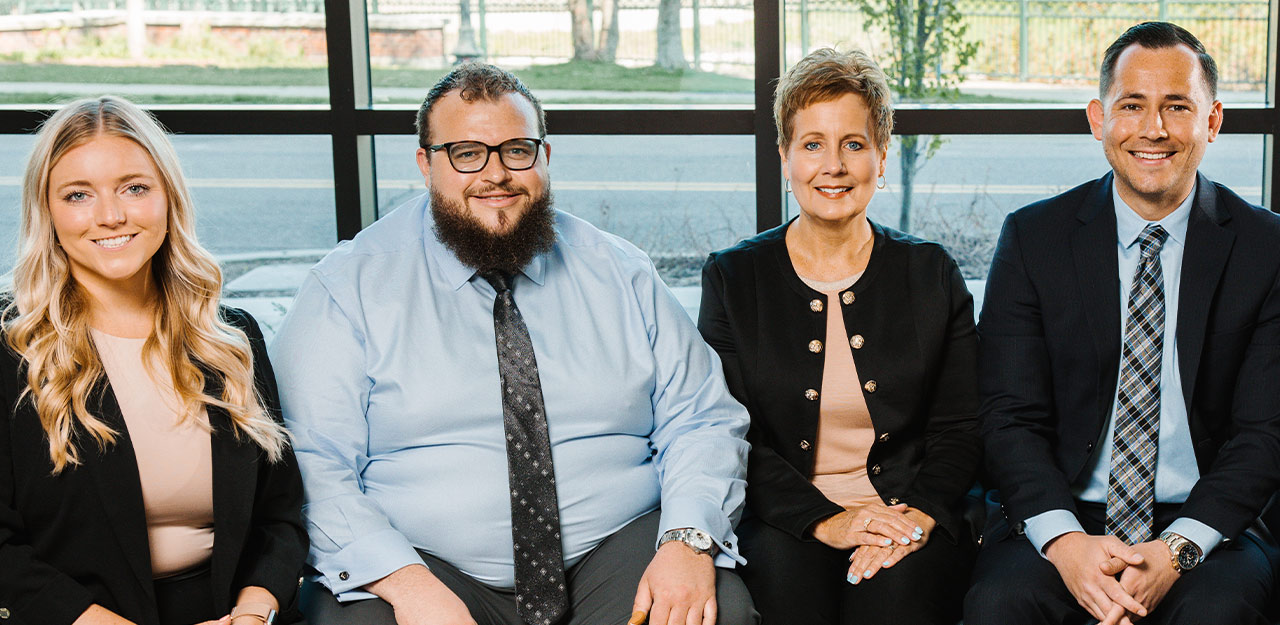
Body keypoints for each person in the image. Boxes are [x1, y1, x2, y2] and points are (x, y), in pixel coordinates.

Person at [270, 63, 756, 625]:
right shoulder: (346, 287)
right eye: (466, 152)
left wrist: (688, 540)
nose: (495, 173)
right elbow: (311, 461)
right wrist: (405, 585)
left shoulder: (620, 272)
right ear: (426, 163)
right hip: (425, 564)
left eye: (517, 150)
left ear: (544, 157)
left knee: (712, 611)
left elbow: (700, 420)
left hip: (616, 549)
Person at [965, 22, 1280, 625]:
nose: (1153, 129)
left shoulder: (1266, 248)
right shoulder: (1034, 239)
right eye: (1131, 106)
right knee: (1000, 604)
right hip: (1064, 516)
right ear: (1098, 118)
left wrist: (1177, 550)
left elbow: (1264, 433)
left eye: (1176, 107)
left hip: (1208, 521)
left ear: (1212, 121)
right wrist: (1065, 544)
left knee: (1219, 611)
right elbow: (1008, 417)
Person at [697, 48, 981, 625]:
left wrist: (919, 515)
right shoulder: (732, 277)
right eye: (812, 144)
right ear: (784, 156)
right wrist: (828, 520)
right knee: (785, 594)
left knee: (894, 605)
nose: (834, 166)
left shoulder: (930, 272)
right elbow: (728, 430)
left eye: (853, 144)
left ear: (881, 156)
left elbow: (962, 426)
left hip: (910, 512)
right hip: (784, 517)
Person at [0, 96, 308, 625]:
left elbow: (280, 518)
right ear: (47, 212)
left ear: (168, 196)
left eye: (134, 188)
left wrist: (254, 613)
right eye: (78, 195)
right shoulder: (12, 347)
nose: (111, 215)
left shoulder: (230, 338)